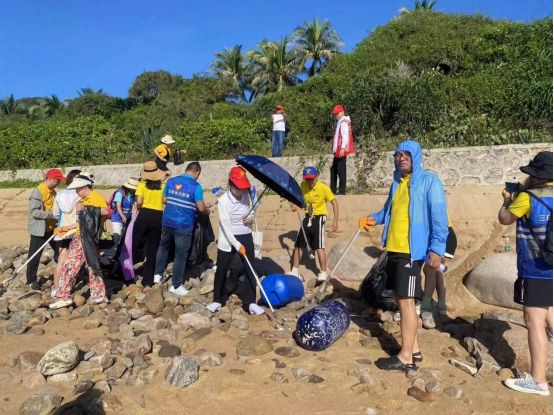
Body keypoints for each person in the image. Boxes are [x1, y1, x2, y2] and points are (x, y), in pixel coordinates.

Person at [360, 140, 448, 372]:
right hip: (395, 249)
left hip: (412, 252)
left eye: (406, 154)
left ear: (415, 156)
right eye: (397, 154)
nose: (401, 158)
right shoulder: (397, 183)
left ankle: (405, 357)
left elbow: (439, 218)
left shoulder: (430, 181)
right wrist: (373, 218)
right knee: (401, 300)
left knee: (407, 303)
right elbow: (388, 210)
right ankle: (415, 349)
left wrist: (436, 249)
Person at [498, 151, 552, 396]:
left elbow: (505, 219)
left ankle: (538, 381)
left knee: (534, 322)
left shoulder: (527, 199)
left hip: (537, 269)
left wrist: (507, 199)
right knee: (549, 312)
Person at [206, 166, 265, 315]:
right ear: (231, 185)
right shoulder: (223, 201)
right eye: (239, 188)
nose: (241, 191)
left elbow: (251, 213)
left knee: (250, 268)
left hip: (245, 234)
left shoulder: (247, 195)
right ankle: (217, 300)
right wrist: (237, 245)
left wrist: (250, 218)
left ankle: (250, 302)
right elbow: (225, 226)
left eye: (243, 188)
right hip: (228, 238)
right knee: (222, 268)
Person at [49, 173, 108, 309]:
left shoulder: (95, 198)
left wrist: (86, 209)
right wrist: (66, 228)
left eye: (78, 189)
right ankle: (99, 295)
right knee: (92, 265)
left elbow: (105, 211)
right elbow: (83, 222)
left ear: (85, 187)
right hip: (84, 236)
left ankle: (63, 295)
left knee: (70, 265)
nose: (76, 192)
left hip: (86, 238)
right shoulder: (87, 198)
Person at [153, 162, 209, 296]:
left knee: (163, 247)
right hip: (183, 225)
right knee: (180, 255)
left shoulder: (171, 181)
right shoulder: (196, 186)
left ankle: (157, 275)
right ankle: (176, 285)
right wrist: (206, 210)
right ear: (197, 173)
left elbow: (164, 200)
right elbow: (201, 208)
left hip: (167, 221)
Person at [290, 166, 339, 283]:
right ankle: (295, 270)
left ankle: (323, 272)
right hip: (307, 217)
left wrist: (335, 221)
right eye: (307, 179)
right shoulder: (303, 185)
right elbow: (297, 198)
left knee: (318, 246)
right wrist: (294, 204)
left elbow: (334, 202)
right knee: (299, 244)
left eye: (312, 178)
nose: (310, 181)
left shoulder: (323, 188)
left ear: (317, 177)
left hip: (319, 217)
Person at [26, 168, 65, 290]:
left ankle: (62, 275)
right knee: (34, 256)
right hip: (39, 230)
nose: (59, 182)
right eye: (57, 180)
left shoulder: (54, 192)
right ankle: (31, 280)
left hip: (53, 229)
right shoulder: (38, 191)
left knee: (60, 251)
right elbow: (34, 212)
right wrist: (51, 215)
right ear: (50, 179)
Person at [420, 212, 457, 329]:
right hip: (443, 233)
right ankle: (441, 308)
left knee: (431, 270)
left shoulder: (427, 195)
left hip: (439, 234)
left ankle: (426, 309)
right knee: (437, 271)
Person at [133, 161, 167, 286]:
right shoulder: (163, 186)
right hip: (158, 216)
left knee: (134, 243)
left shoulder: (141, 185)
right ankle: (148, 279)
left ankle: (125, 272)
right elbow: (165, 201)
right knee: (152, 248)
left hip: (144, 214)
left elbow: (139, 202)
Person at [51, 169, 81, 297]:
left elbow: (55, 214)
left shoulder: (60, 194)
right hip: (75, 231)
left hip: (62, 231)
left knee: (61, 260)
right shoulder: (80, 195)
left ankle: (57, 288)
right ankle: (68, 286)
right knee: (74, 261)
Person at [330, 105, 354, 195]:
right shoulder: (340, 121)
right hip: (338, 150)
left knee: (341, 170)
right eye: (335, 114)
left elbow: (345, 137)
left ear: (342, 112)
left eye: (337, 113)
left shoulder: (343, 122)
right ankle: (333, 190)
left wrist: (343, 148)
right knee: (334, 170)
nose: (336, 115)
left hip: (341, 150)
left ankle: (341, 191)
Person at [110, 177, 138, 250]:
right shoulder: (119, 193)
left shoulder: (133, 194)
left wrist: (134, 217)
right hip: (117, 217)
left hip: (128, 217)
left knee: (125, 235)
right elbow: (118, 206)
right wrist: (122, 216)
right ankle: (115, 248)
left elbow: (135, 206)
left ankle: (121, 250)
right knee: (117, 234)